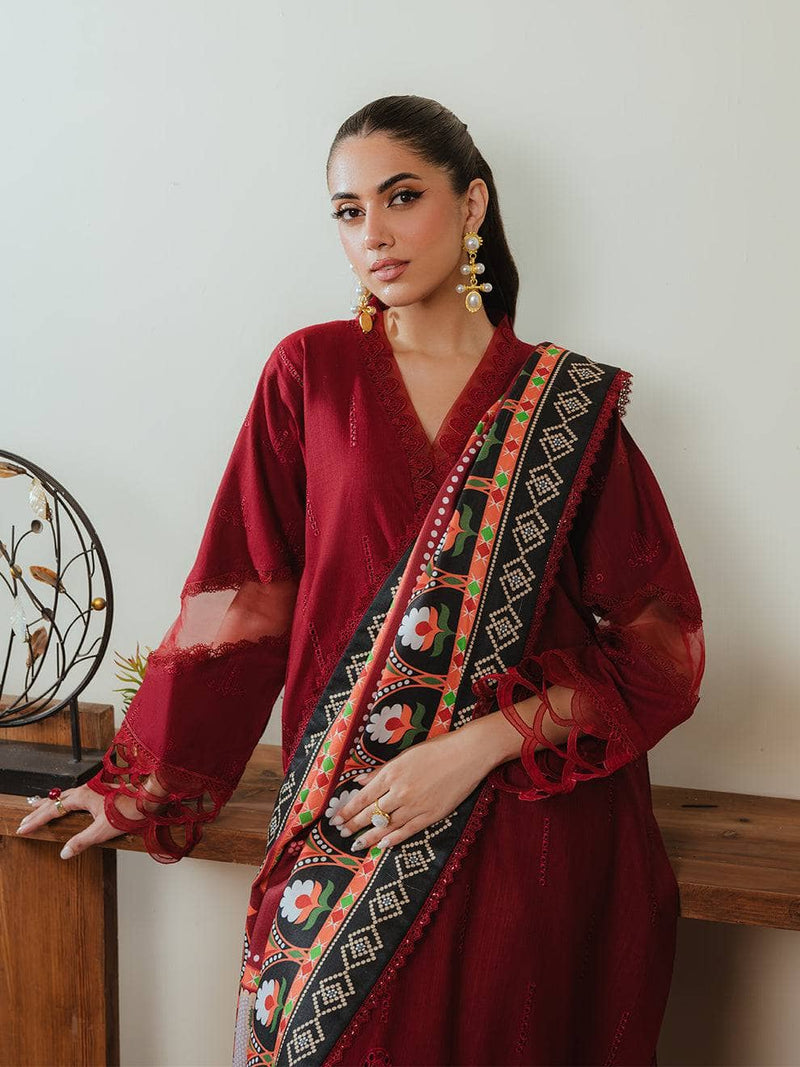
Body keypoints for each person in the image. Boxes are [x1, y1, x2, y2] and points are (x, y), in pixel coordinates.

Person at [16, 95, 706, 1067]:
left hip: (526, 828)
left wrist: (475, 745)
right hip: (346, 814)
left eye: (401, 196)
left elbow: (658, 653)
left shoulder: (564, 409)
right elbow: (248, 600)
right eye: (348, 210)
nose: (373, 233)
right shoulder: (312, 371)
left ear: (472, 204)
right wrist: (138, 780)